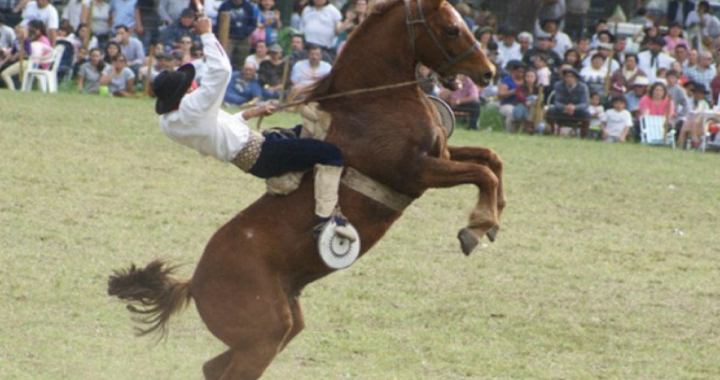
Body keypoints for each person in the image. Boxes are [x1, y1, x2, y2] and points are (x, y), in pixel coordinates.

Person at [153, 15, 357, 241]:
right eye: (188, 86)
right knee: (330, 153)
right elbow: (221, 70)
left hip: (257, 152)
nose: (192, 86)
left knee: (304, 131)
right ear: (183, 94)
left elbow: (218, 128)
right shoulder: (192, 108)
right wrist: (206, 34)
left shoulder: (170, 122)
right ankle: (326, 219)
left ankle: (293, 178)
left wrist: (251, 112)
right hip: (262, 153)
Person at [1, 19, 51, 90]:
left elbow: (30, 53)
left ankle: (12, 89)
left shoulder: (36, 40)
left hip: (35, 63)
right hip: (29, 62)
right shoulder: (21, 40)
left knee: (5, 74)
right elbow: (13, 51)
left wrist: (24, 42)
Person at [545, 67, 591, 137]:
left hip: (576, 111)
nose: (569, 78)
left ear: (576, 78)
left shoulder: (583, 87)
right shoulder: (558, 85)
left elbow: (585, 103)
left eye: (571, 77)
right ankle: (550, 133)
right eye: (567, 76)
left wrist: (574, 107)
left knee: (586, 115)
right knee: (550, 111)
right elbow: (556, 102)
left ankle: (584, 137)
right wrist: (565, 107)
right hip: (562, 110)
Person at [217, 0, 257, 70]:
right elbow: (219, 22)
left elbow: (253, 23)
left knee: (241, 61)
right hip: (228, 38)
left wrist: (246, 33)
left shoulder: (248, 6)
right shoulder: (225, 5)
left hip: (244, 39)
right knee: (225, 59)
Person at [678, 85, 711, 149]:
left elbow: (703, 114)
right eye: (696, 93)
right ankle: (683, 143)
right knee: (688, 123)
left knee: (693, 123)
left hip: (701, 122)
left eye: (700, 93)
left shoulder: (705, 104)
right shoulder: (689, 102)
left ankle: (691, 142)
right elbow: (686, 112)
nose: (698, 95)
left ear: (703, 95)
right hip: (687, 120)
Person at [497, 59, 526, 133]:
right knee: (512, 113)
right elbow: (500, 94)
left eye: (522, 72)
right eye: (518, 71)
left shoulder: (525, 81)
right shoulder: (507, 80)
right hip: (507, 104)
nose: (521, 74)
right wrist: (512, 92)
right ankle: (510, 131)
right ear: (513, 71)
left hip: (523, 104)